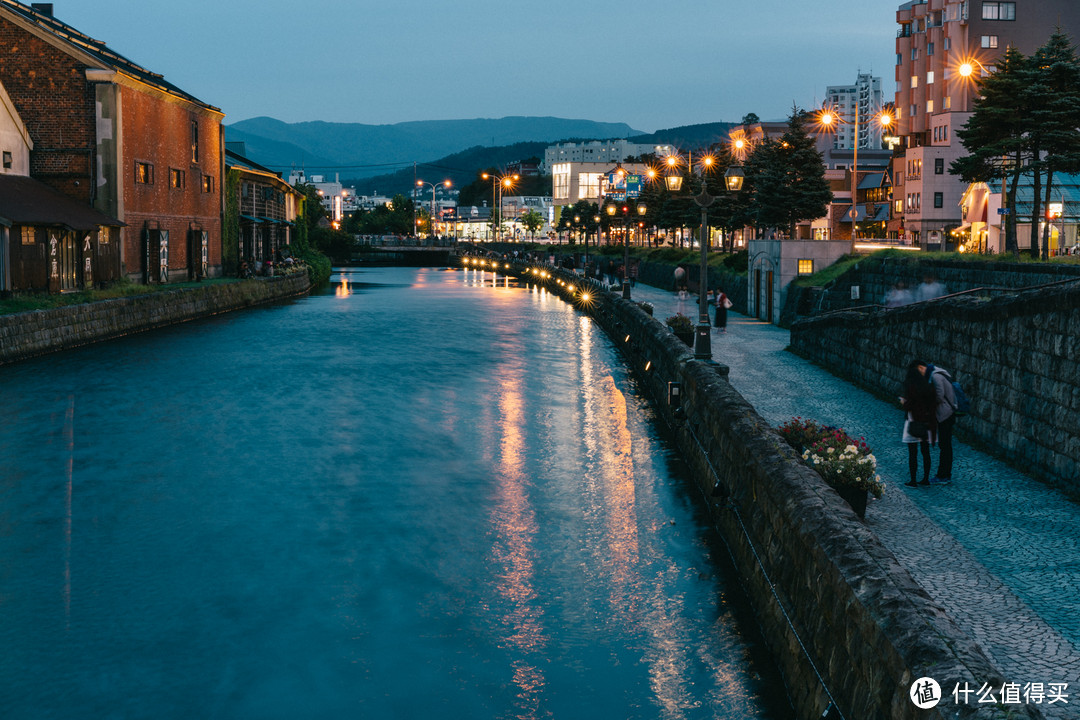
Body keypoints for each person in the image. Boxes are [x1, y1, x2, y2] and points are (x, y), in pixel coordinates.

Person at [900, 360, 937, 487]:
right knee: (925, 452)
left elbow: (910, 404)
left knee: (913, 452)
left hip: (914, 421)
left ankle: (913, 480)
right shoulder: (928, 386)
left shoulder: (911, 386)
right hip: (926, 422)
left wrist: (904, 403)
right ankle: (926, 478)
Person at [925, 362, 958, 484]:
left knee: (945, 445)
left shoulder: (935, 377)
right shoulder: (938, 375)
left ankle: (943, 475)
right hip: (947, 413)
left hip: (945, 414)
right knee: (945, 445)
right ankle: (944, 474)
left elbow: (939, 396)